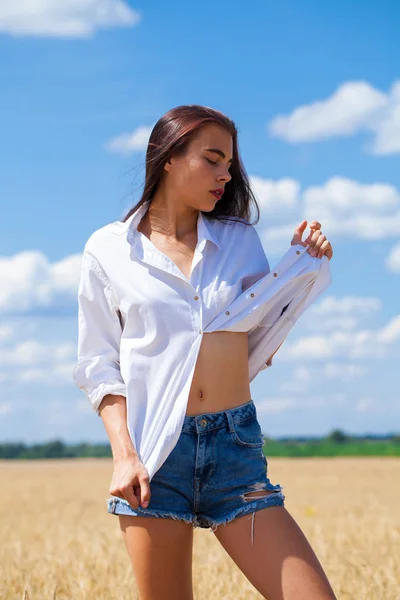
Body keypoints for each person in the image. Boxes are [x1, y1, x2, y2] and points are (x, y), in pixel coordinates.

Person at [73, 105, 336, 600]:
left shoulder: (239, 241)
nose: (225, 174)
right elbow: (98, 364)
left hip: (233, 447)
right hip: (155, 457)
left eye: (229, 165)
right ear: (168, 158)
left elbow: (259, 330)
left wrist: (302, 268)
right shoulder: (108, 250)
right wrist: (124, 456)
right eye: (212, 160)